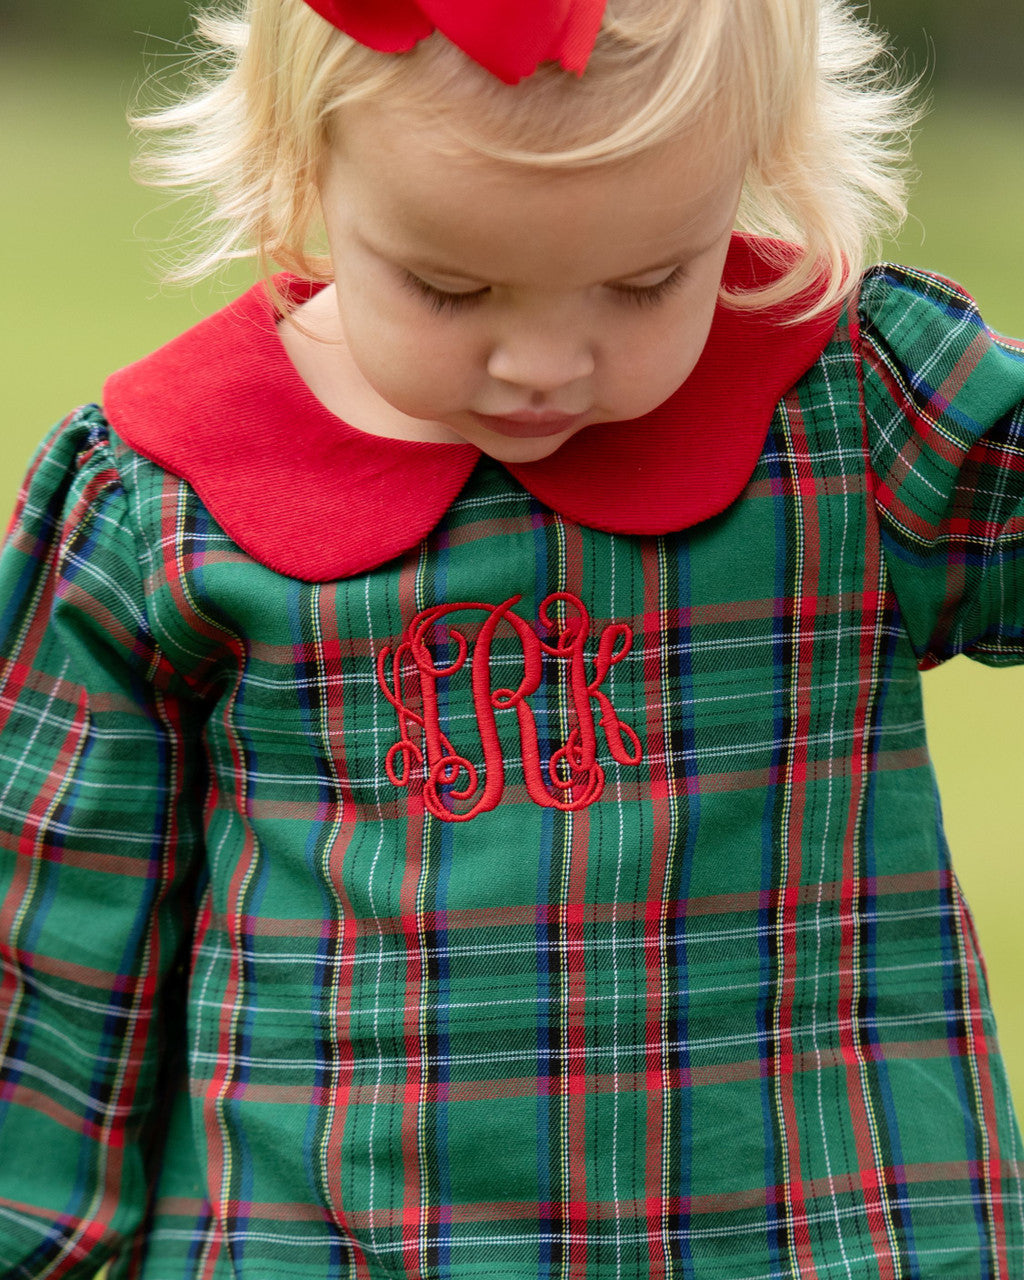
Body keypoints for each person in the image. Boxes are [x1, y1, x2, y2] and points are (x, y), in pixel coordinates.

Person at [0, 0, 1021, 1275]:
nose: (543, 361)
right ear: (301, 163)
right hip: (317, 1234)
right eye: (449, 284)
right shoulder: (165, 496)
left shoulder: (847, 401)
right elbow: (55, 909)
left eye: (646, 279)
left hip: (820, 1217)